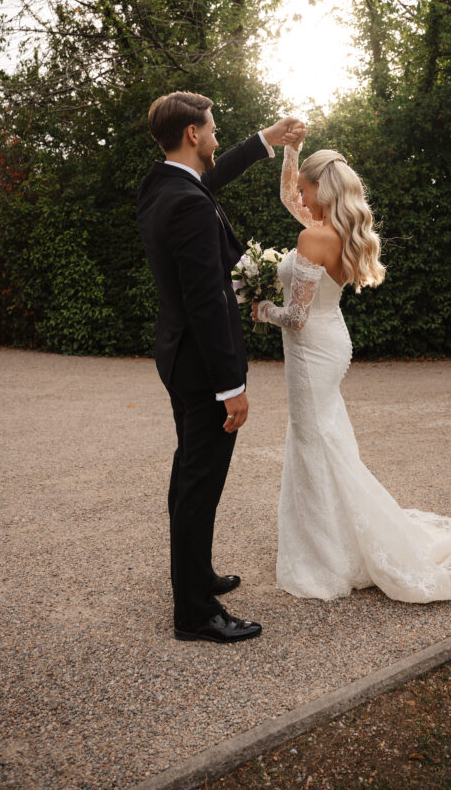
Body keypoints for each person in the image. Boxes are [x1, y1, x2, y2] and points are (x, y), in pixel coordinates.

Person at [253, 142, 451, 602]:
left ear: (321, 189)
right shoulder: (332, 229)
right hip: (330, 344)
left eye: (306, 189)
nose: (300, 197)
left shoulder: (313, 237)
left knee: (313, 443)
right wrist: (291, 152)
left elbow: (295, 318)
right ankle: (333, 538)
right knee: (323, 440)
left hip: (311, 351)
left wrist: (260, 309)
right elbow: (288, 197)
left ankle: (327, 557)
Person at [137, 90, 303, 642]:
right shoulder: (185, 200)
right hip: (203, 366)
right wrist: (231, 385)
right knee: (200, 481)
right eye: (210, 130)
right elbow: (208, 299)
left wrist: (264, 141)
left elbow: (207, 180)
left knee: (190, 472)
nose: (213, 138)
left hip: (176, 353)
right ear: (191, 135)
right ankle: (195, 613)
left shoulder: (162, 185)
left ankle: (196, 573)